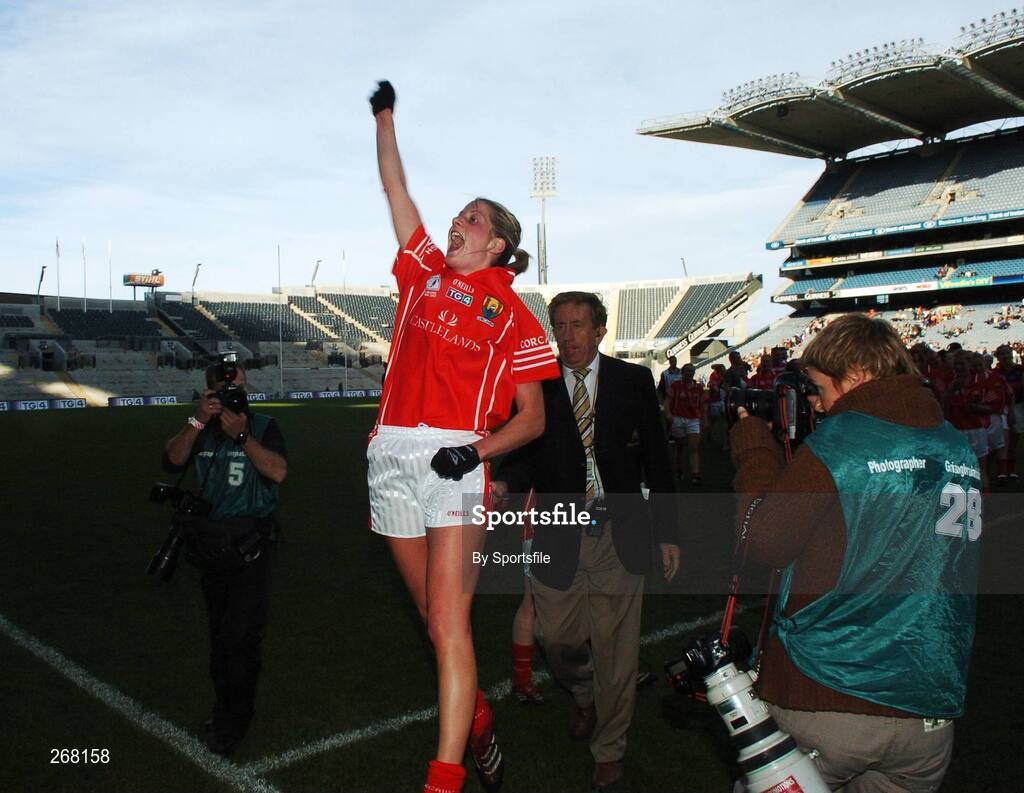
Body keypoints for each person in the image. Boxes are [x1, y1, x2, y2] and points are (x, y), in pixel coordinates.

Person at [367, 80, 560, 793]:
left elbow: (533, 418)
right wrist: (384, 115)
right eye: (459, 213)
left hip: (455, 458)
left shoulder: (514, 314)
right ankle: (478, 720)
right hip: (389, 453)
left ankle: (442, 780)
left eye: (472, 218)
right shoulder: (421, 273)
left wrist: (473, 452)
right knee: (430, 617)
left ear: (498, 242)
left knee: (449, 623)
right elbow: (395, 188)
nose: (458, 221)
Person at [731, 313, 980, 793]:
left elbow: (764, 539)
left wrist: (752, 450)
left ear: (858, 375)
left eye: (820, 387)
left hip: (834, 686)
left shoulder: (844, 441)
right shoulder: (957, 446)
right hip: (929, 701)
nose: (817, 405)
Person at [494, 291, 680, 791]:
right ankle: (581, 692)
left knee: (618, 649)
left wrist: (667, 533)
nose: (568, 336)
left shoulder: (633, 381)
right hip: (558, 528)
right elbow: (526, 452)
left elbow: (658, 460)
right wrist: (507, 484)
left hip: (620, 529)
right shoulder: (541, 385)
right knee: (556, 637)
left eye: (578, 325)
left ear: (600, 330)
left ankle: (610, 748)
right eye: (559, 325)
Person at [162, 360, 287, 756]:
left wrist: (244, 437)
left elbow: (279, 472)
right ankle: (224, 710)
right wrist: (199, 419)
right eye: (222, 391)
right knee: (220, 638)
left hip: (250, 546)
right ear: (209, 392)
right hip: (210, 547)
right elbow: (172, 461)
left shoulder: (265, 426)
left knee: (240, 638)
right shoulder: (202, 428)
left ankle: (235, 720)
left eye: (239, 389)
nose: (234, 396)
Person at [664, 362, 706, 484]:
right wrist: (668, 414)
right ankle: (679, 470)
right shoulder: (676, 386)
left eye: (692, 371)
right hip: (678, 418)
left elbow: (702, 404)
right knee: (680, 447)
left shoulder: (698, 387)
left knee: (694, 447)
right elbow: (667, 401)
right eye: (688, 371)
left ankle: (695, 473)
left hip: (693, 419)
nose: (690, 373)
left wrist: (704, 419)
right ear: (683, 373)